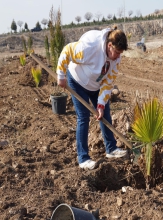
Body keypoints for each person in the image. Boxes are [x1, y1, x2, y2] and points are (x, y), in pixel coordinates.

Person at [56, 26, 128, 170]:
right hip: (77, 82)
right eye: (117, 52)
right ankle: (83, 158)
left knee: (105, 115)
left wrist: (100, 104)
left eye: (121, 53)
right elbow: (67, 51)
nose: (118, 56)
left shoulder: (115, 59)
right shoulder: (90, 47)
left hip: (96, 86)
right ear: (109, 46)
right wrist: (61, 75)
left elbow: (108, 82)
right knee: (83, 117)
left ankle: (111, 149)